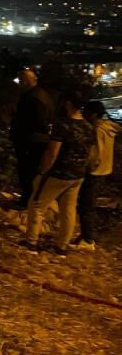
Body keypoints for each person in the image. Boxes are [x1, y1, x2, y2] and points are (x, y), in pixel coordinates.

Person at [19, 92, 94, 256]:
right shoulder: (88, 126)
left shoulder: (63, 125)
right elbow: (90, 152)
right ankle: (62, 247)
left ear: (68, 103)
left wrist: (42, 172)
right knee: (68, 209)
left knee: (37, 204)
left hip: (59, 173)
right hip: (78, 174)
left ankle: (31, 243)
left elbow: (52, 152)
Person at [75, 101, 120, 249]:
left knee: (86, 205)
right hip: (105, 170)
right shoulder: (109, 127)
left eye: (86, 112)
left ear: (93, 114)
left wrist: (87, 167)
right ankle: (88, 236)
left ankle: (88, 240)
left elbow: (96, 153)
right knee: (90, 204)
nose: (84, 114)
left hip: (95, 172)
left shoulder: (98, 129)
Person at [9, 69, 54, 207]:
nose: (20, 83)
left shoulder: (32, 97)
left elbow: (37, 121)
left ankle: (26, 201)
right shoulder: (42, 95)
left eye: (22, 80)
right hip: (36, 140)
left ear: (28, 81)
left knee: (27, 171)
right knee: (31, 171)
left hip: (30, 140)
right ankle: (30, 199)